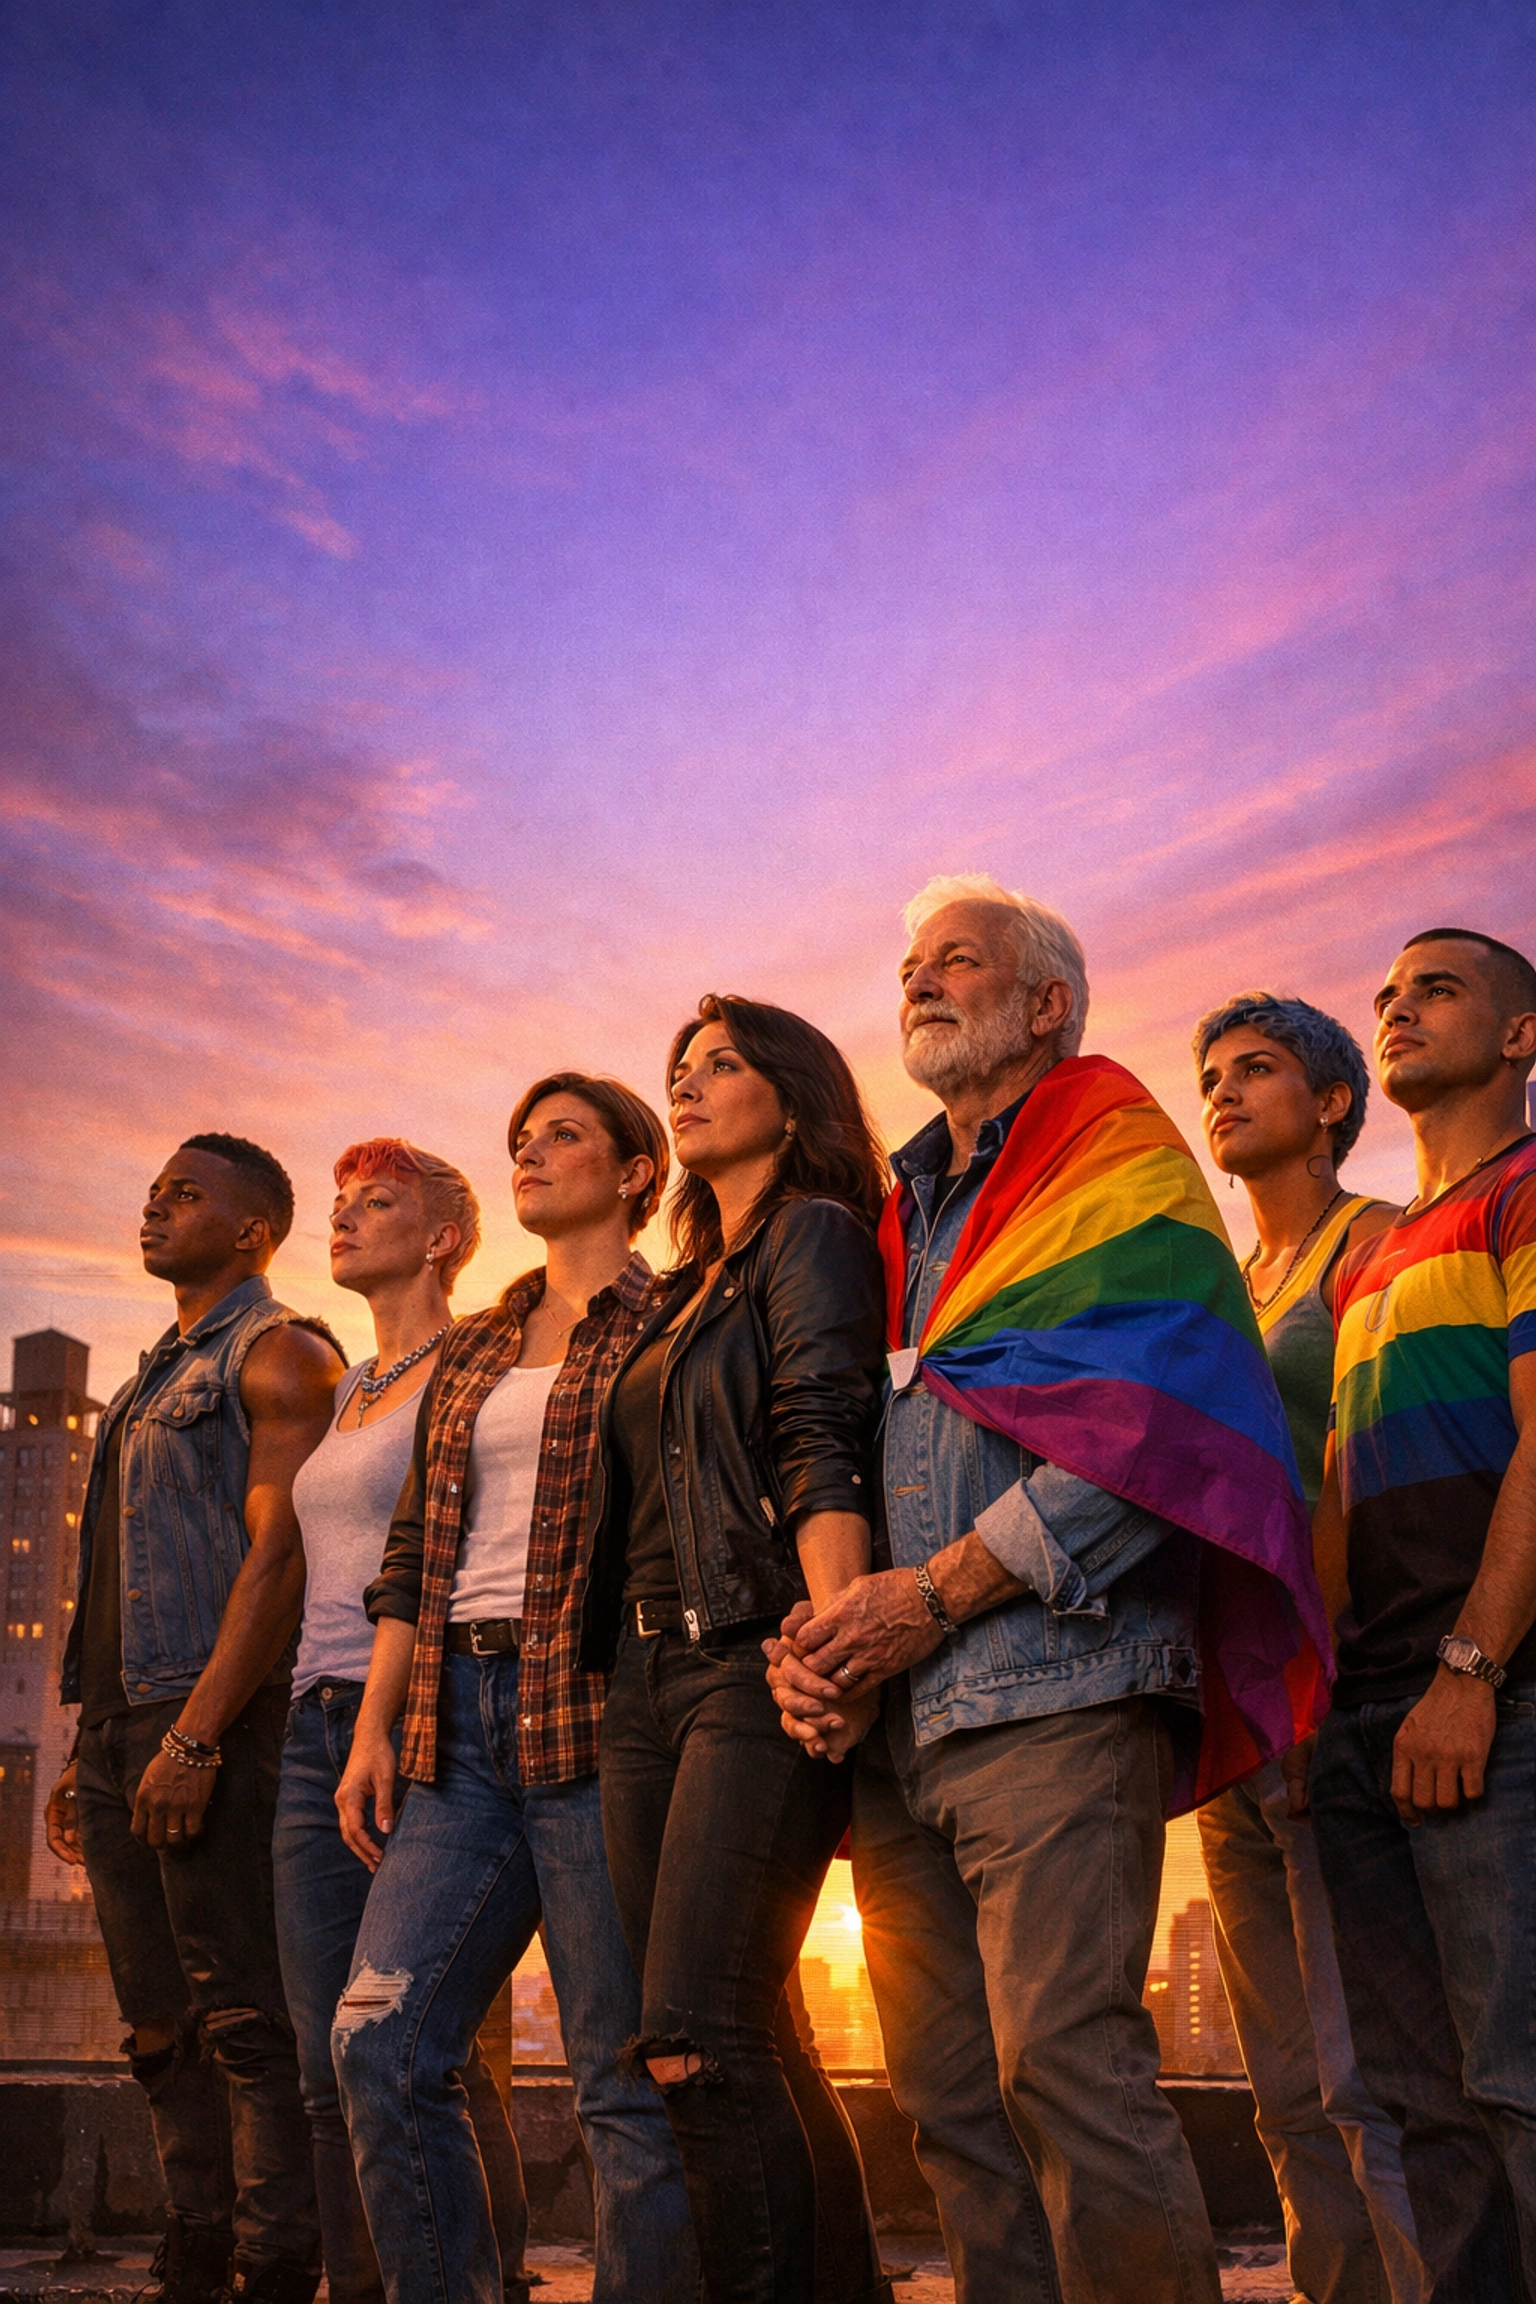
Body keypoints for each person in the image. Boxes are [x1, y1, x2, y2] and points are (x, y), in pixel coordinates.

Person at [767, 875, 1332, 2304]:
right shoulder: (894, 1210)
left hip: (1060, 1685)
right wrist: (828, 1636)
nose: (920, 980)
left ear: (1046, 1006)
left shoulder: (1117, 1156)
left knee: (1069, 2071)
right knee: (952, 2104)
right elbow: (854, 1435)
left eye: (958, 961)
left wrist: (937, 1594)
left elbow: (1170, 1433)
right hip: (902, 1724)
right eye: (908, 964)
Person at [331, 1077, 694, 2304]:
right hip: (456, 1728)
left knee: (622, 2080)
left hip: (600, 1720)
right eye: (520, 1143)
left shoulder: (672, 1320)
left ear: (638, 1171)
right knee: (377, 2044)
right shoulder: (481, 1337)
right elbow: (412, 1550)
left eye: (563, 1137)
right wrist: (378, 1723)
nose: (530, 1157)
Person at [587, 993, 894, 2304]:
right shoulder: (675, 1292)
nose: (689, 1084)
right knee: (753, 2029)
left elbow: (820, 1436)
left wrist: (834, 1647)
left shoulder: (812, 1234)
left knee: (695, 2040)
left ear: (796, 1094)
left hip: (753, 1662)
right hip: (645, 1686)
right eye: (680, 1068)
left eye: (723, 1064)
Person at [43, 1135, 345, 2304]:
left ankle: (275, 2261)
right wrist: (92, 1740)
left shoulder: (281, 1358)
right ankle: (195, 2245)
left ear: (253, 1230)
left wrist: (195, 1736)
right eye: (155, 1190)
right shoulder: (144, 1383)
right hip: (124, 1729)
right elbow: (119, 1575)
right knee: (156, 2025)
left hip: (211, 1722)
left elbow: (283, 1552)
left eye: (186, 1194)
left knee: (243, 2014)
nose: (155, 1206)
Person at [1309, 929, 1536, 2298]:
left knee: (1518, 2079)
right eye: (1384, 993)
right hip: (1365, 1719)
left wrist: (1474, 1666)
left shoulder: (1527, 1192)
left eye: (1435, 989)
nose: (1396, 1009)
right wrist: (1320, 1697)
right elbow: (1341, 1493)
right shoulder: (1374, 1259)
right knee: (1420, 2103)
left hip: (1492, 1701)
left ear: (1520, 1036)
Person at [270, 1138, 533, 2304]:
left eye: (378, 1203)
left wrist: (394, 1719)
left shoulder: (479, 1363)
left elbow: (455, 1555)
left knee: (428, 2043)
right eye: (339, 1203)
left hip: (423, 1720)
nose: (344, 1217)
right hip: (306, 1727)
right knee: (328, 2063)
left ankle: (483, 2281)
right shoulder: (346, 1390)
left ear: (441, 1238)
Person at [1193, 993, 1422, 2304]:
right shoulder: (1226, 1285)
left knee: (1361, 2073)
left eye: (1258, 1070)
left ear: (1332, 1103)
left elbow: (1358, 1471)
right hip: (1223, 1719)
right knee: (1279, 2088)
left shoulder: (1371, 1244)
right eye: (1212, 1073)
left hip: (1321, 1704)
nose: (1223, 1090)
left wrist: (1305, 1688)